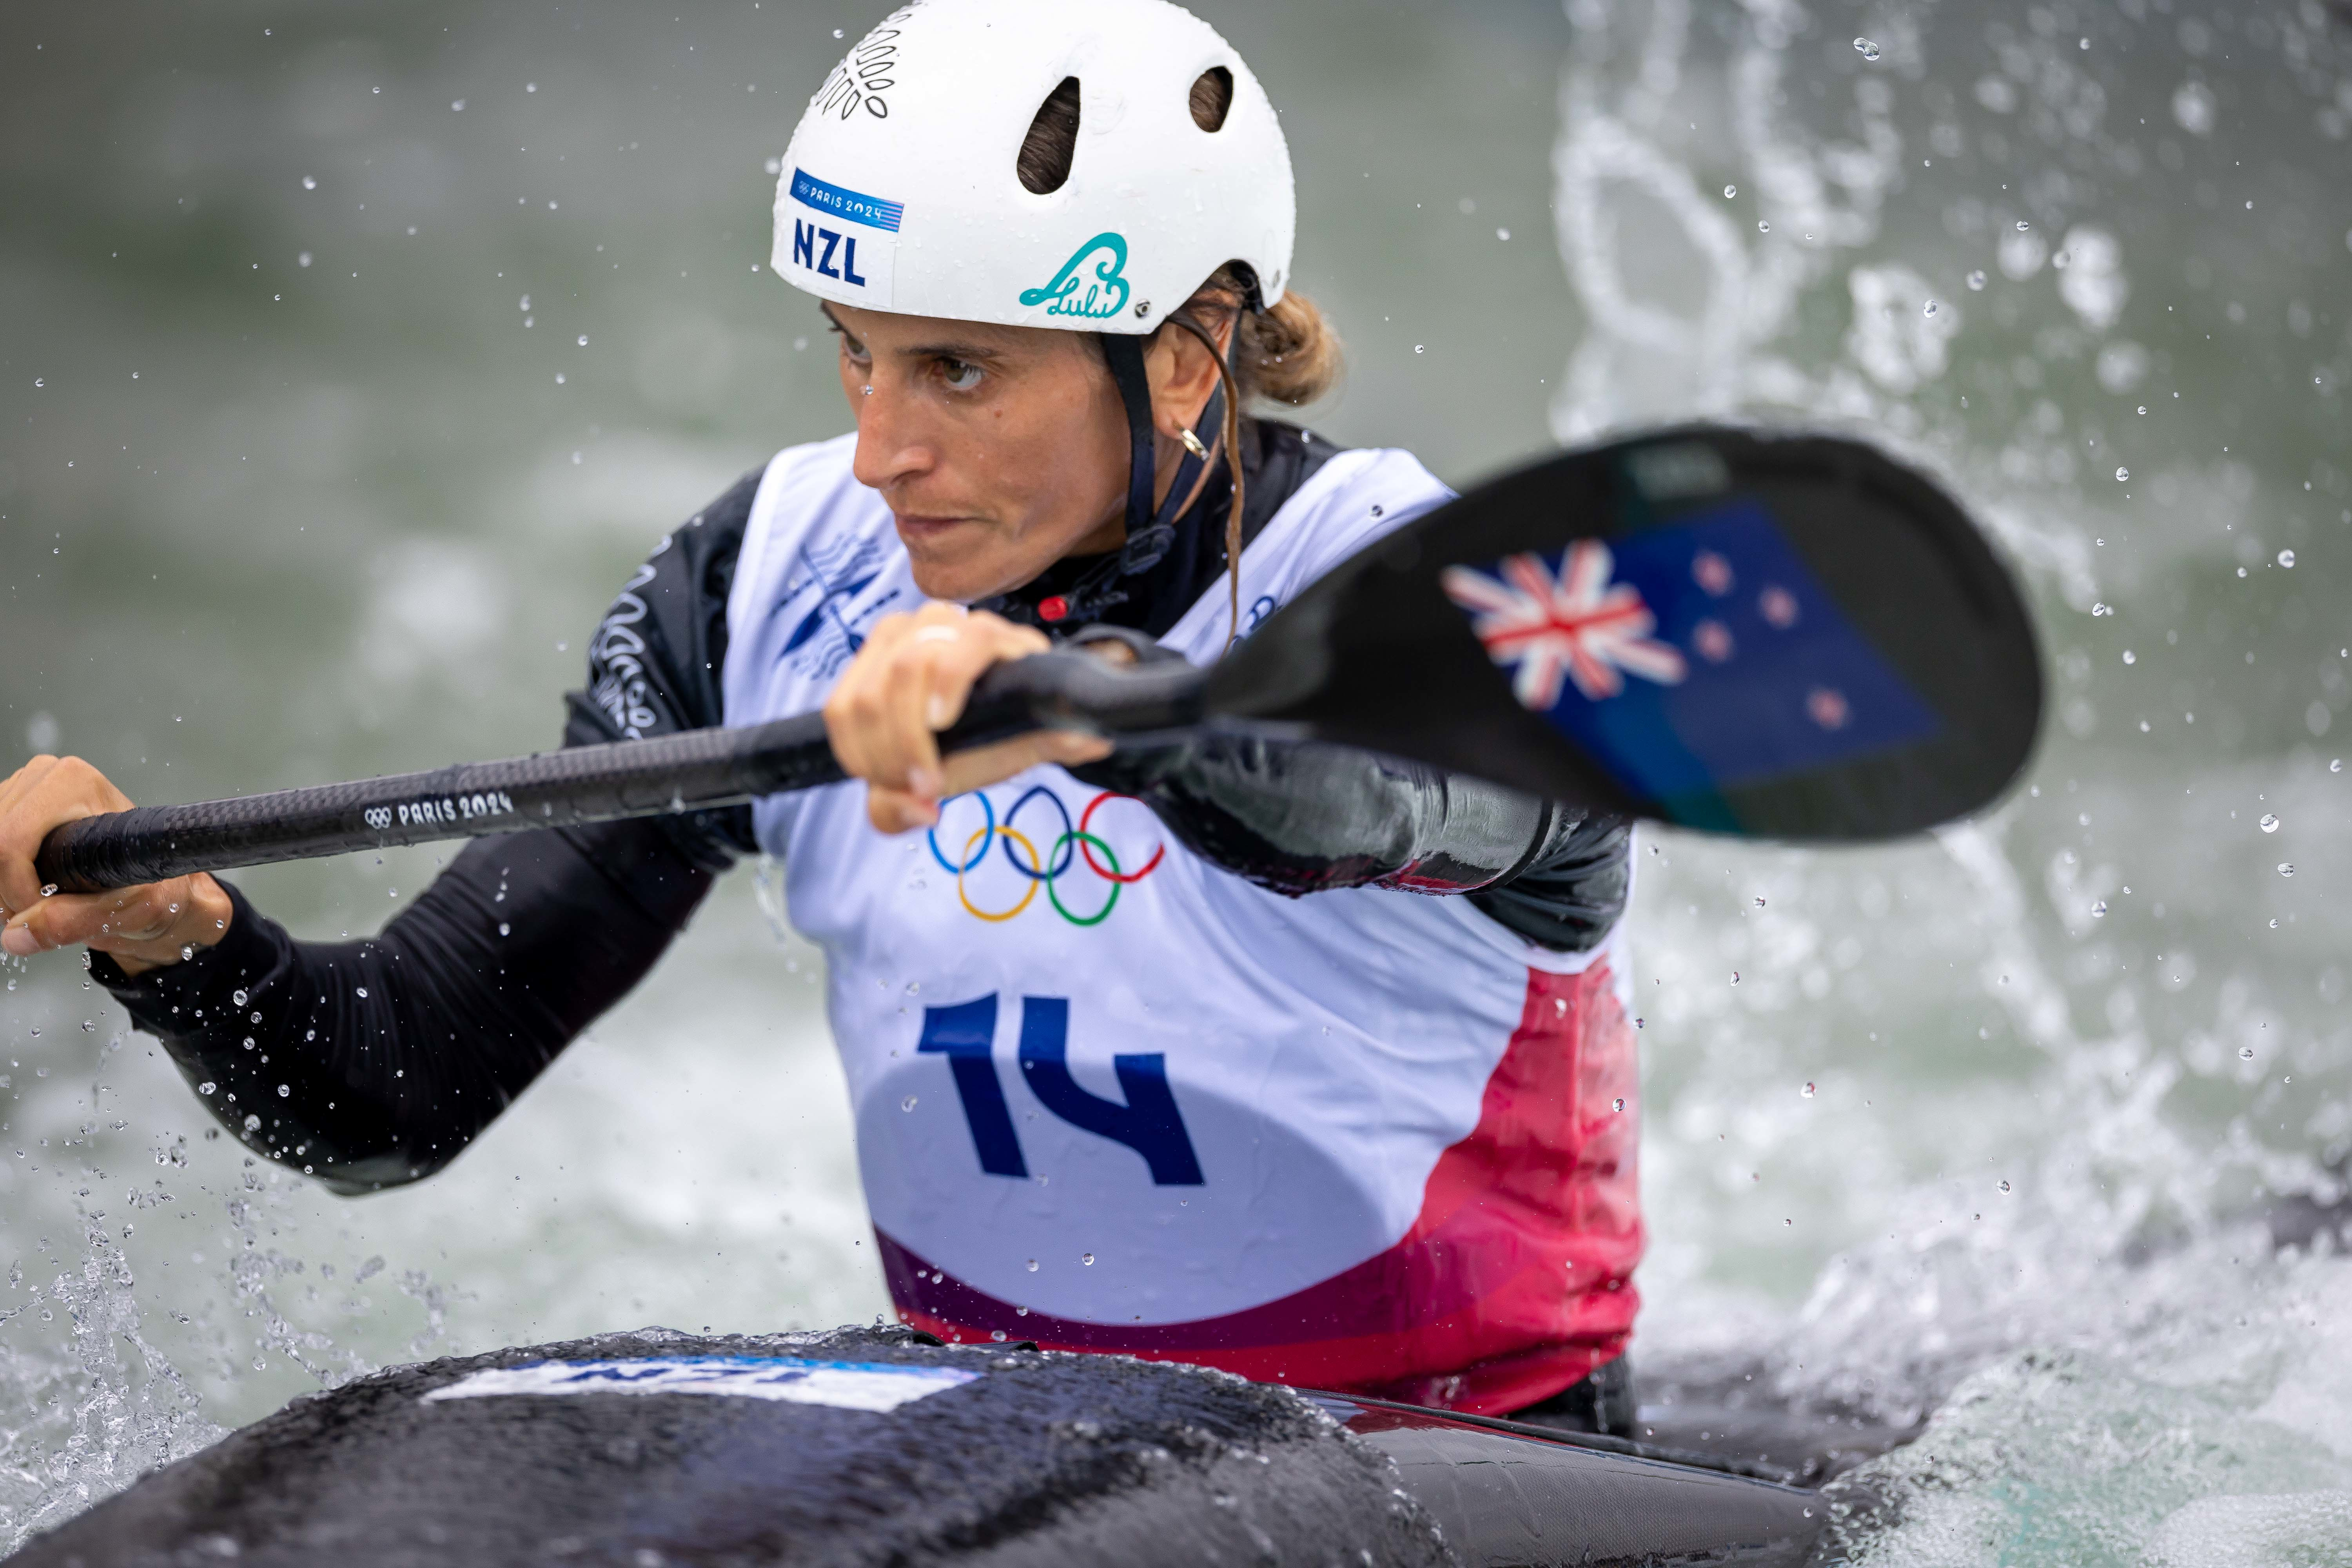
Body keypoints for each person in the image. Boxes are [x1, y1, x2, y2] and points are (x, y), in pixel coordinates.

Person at [0, 0, 1639, 1432]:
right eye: (855, 357)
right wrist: (173, 934)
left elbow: (1364, 796)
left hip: (1458, 1453)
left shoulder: (1436, 598)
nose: (879, 453)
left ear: (1193, 358)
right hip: (1004, 1446)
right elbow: (397, 1087)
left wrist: (1095, 709)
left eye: (959, 372)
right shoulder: (768, 579)